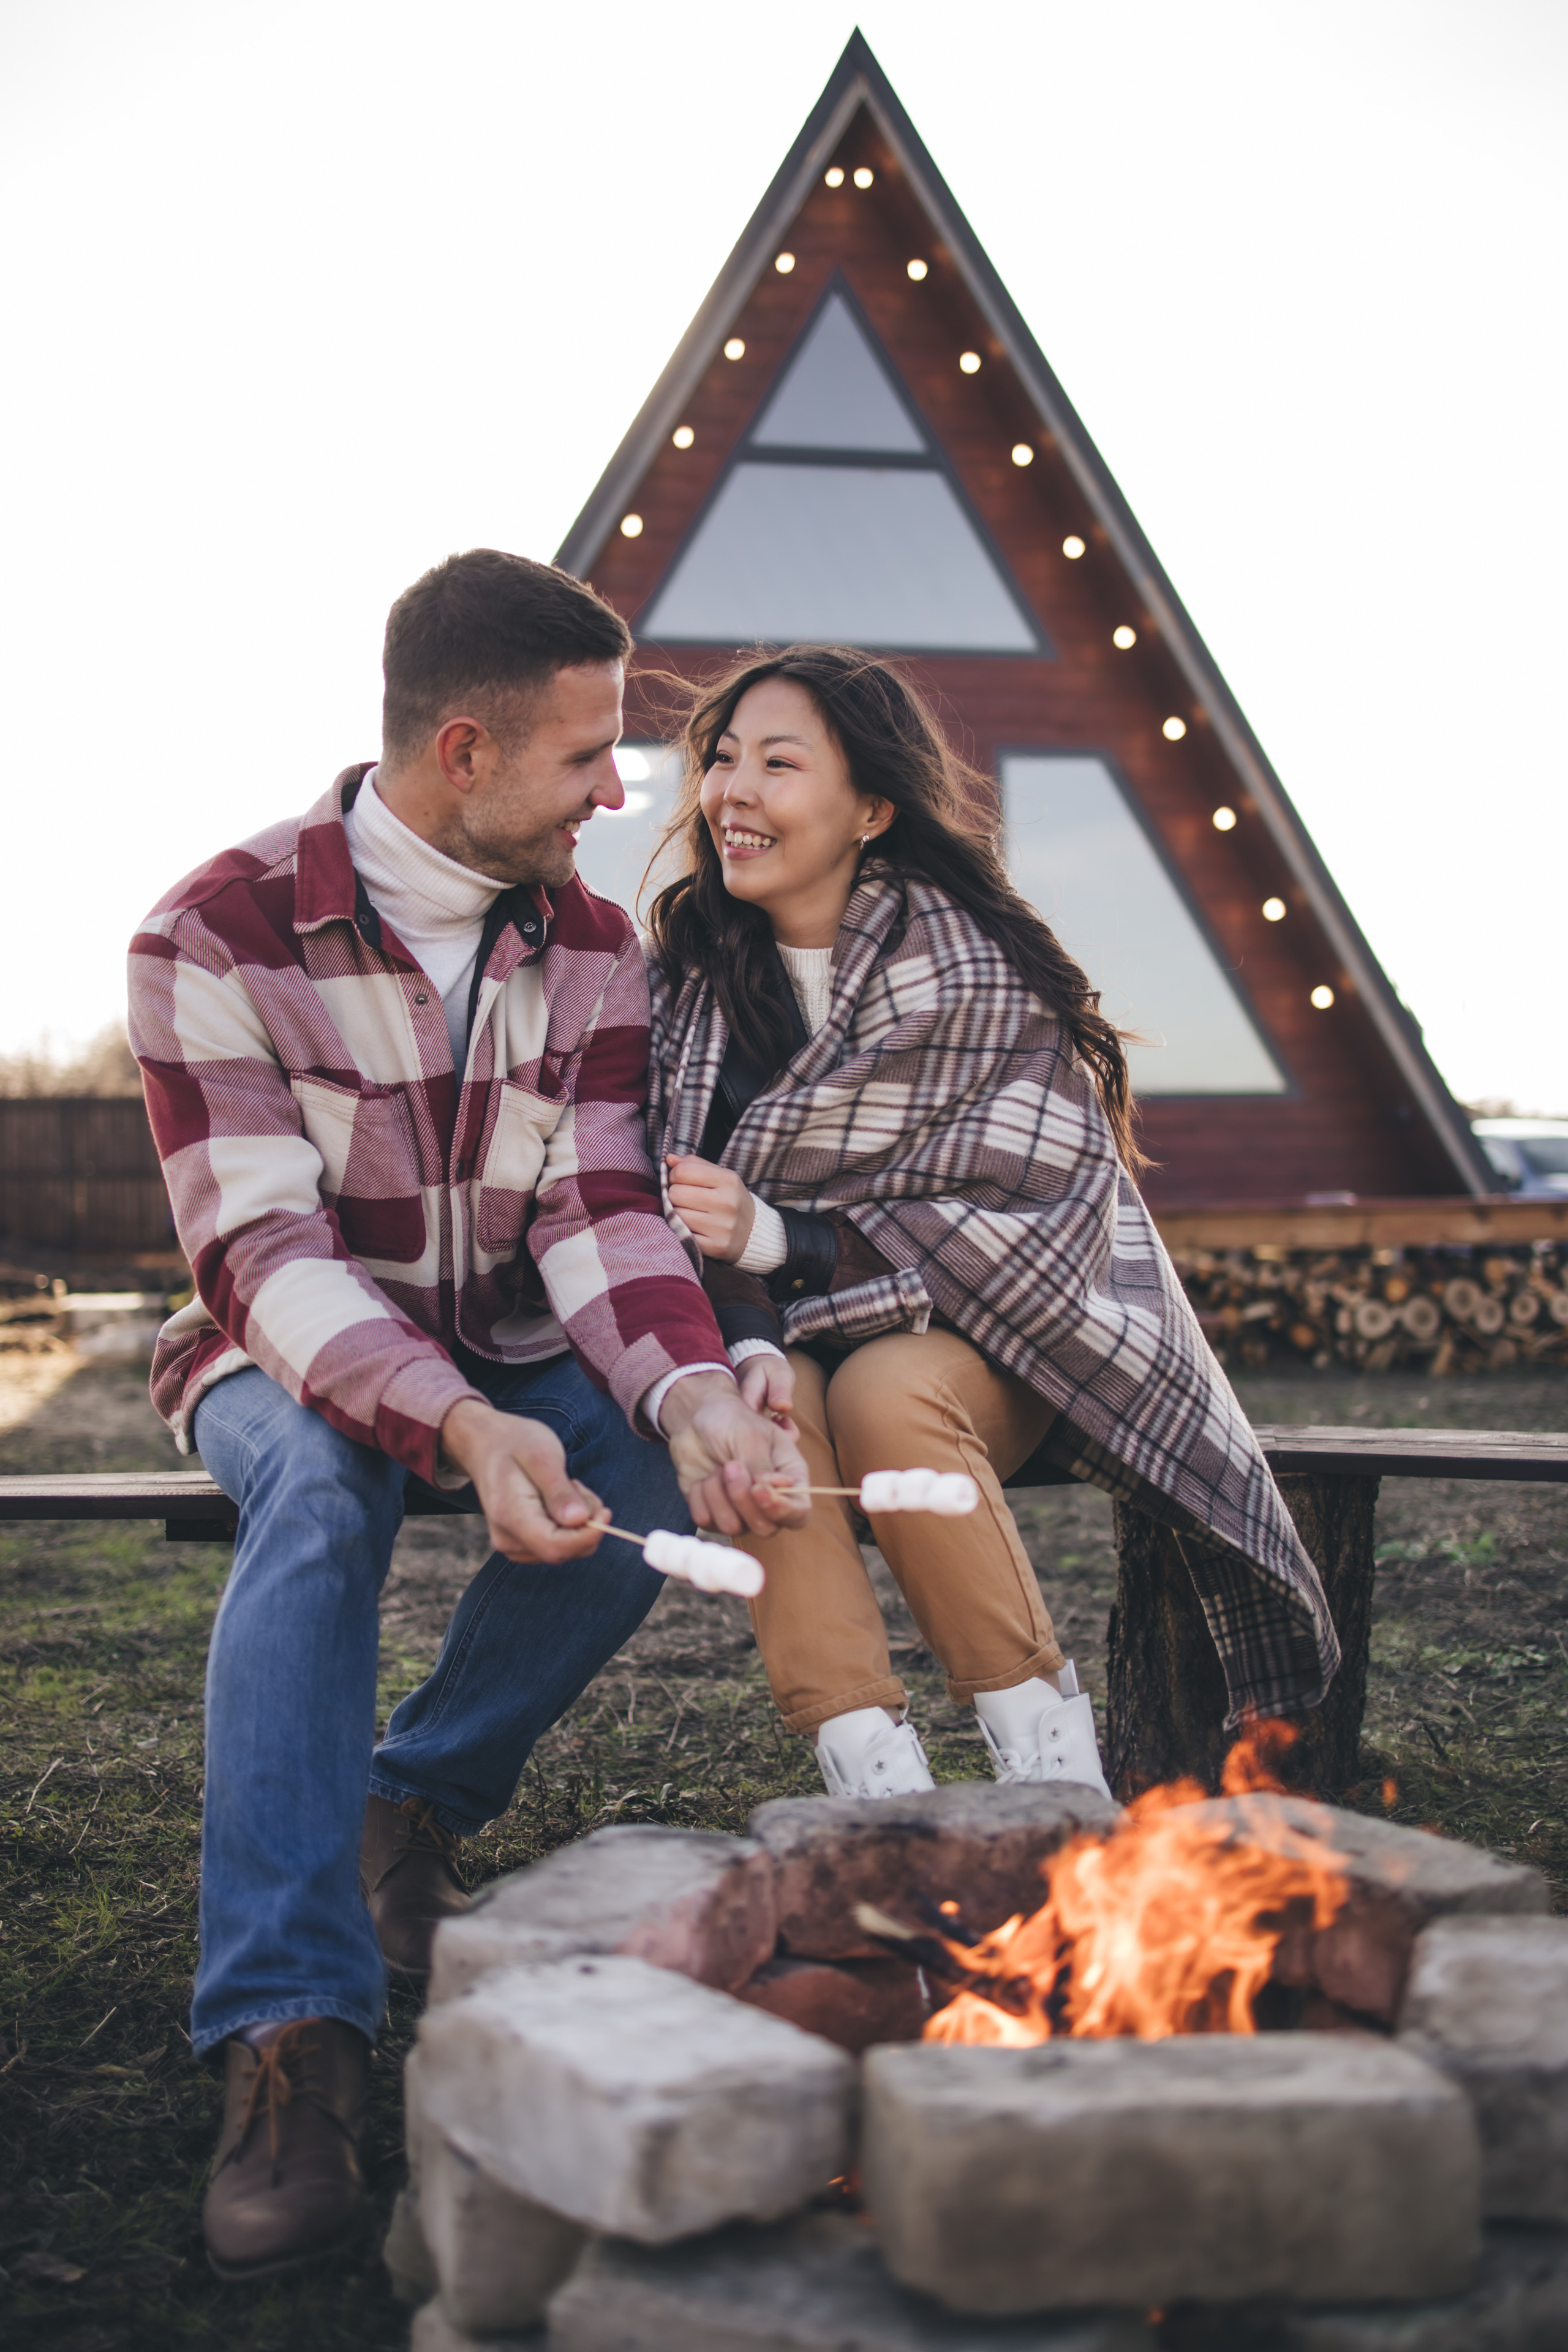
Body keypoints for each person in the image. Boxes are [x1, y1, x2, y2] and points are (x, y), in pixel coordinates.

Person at [127, 551, 806, 2282]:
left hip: (511, 1331)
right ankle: (288, 2034)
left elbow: (601, 1213)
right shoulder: (214, 933)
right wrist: (447, 1423)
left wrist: (693, 1384)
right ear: (464, 751)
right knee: (325, 1491)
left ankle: (407, 1803)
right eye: (589, 758)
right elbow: (261, 1253)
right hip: (274, 1354)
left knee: (647, 1439)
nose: (617, 793)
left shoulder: (587, 946)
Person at [644, 645, 1340, 1804]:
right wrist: (756, 1324)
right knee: (771, 1427)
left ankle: (1055, 1781)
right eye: (721, 761)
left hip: (1011, 1340)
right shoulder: (689, 985)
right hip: (785, 1341)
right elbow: (678, 1214)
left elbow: (1040, 1216)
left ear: (870, 806)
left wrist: (786, 1239)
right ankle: (877, 1786)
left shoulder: (976, 974)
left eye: (778, 762)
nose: (734, 793)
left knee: (885, 1392)